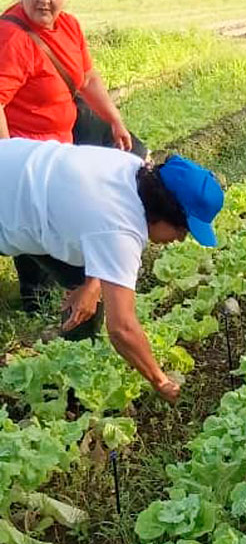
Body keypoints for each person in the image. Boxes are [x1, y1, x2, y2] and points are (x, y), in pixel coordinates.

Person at [0, 139, 224, 402]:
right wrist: (160, 381)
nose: (180, 239)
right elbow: (122, 329)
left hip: (14, 163)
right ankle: (74, 379)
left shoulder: (133, 169)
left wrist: (91, 284)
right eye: (183, 230)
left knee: (85, 286)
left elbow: (99, 225)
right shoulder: (121, 231)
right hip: (9, 203)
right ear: (165, 211)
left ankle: (76, 369)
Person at [0, 0, 143, 311]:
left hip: (63, 140)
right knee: (38, 238)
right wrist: (9, 163)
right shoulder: (12, 38)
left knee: (133, 153)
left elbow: (87, 77)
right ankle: (38, 299)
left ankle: (73, 280)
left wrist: (114, 119)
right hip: (30, 154)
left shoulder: (69, 26)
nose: (44, 0)